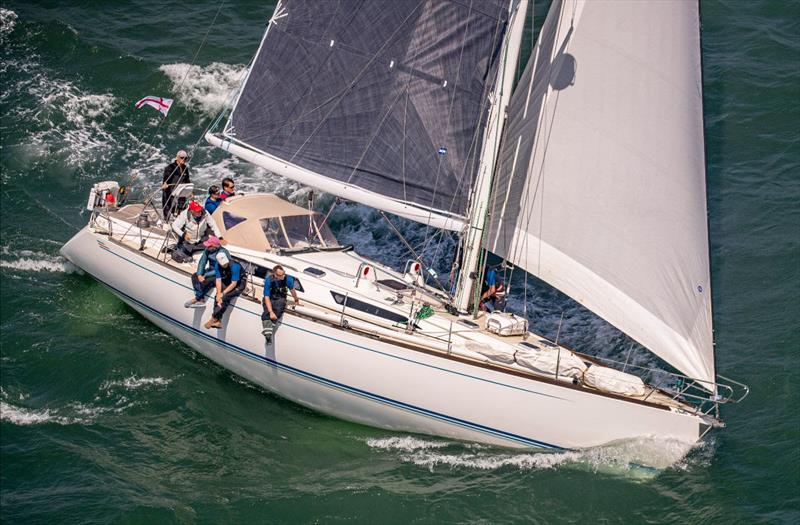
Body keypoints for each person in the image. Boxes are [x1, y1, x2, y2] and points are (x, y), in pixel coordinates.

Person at [204, 252, 246, 329]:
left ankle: (213, 318)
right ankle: (218, 321)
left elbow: (234, 284)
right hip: (228, 279)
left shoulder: (235, 266)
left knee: (225, 297)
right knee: (217, 296)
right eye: (223, 265)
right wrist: (219, 293)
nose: (224, 265)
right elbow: (218, 280)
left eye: (226, 264)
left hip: (239, 282)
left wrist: (223, 293)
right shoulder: (217, 266)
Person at [184, 236, 229, 308]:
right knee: (194, 276)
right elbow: (202, 262)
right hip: (211, 270)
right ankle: (200, 298)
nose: (207, 247)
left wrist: (205, 276)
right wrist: (199, 274)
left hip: (220, 273)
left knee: (206, 280)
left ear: (214, 246)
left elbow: (221, 269)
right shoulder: (207, 250)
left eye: (209, 246)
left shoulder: (223, 253)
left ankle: (198, 299)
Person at [261, 264, 300, 343]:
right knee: (267, 312)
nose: (283, 276)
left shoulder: (288, 279)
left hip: (281, 296)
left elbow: (292, 291)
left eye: (284, 273)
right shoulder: (269, 280)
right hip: (271, 296)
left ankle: (268, 330)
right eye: (280, 275)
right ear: (275, 275)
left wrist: (296, 300)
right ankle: (268, 333)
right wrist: (271, 312)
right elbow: (266, 297)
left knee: (279, 308)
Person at [162, 150, 191, 218]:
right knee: (168, 206)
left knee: (181, 208)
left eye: (185, 158)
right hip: (171, 191)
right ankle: (167, 220)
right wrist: (165, 183)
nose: (183, 159)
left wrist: (190, 192)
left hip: (181, 191)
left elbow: (187, 180)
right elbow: (166, 178)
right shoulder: (170, 167)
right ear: (177, 157)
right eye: (182, 157)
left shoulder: (185, 168)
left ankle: (180, 221)